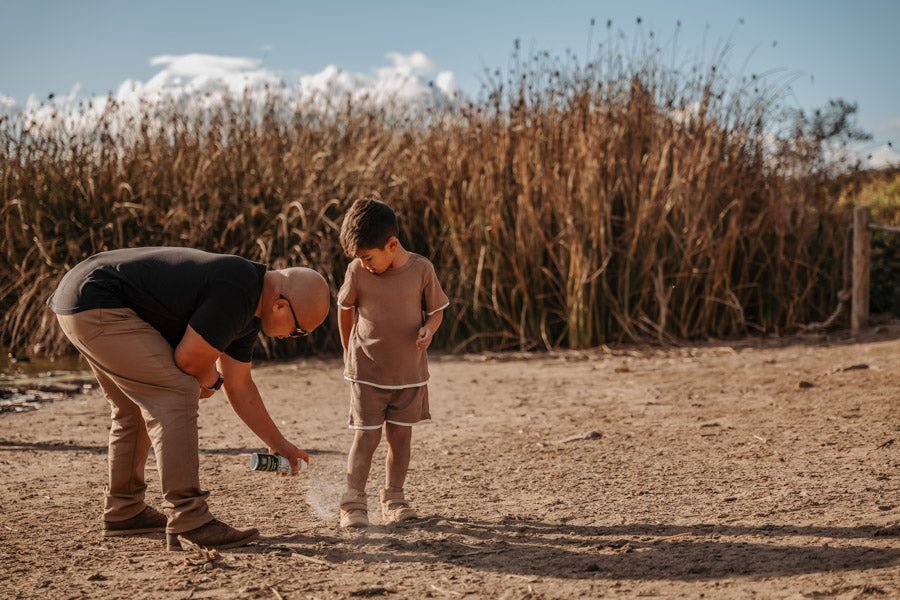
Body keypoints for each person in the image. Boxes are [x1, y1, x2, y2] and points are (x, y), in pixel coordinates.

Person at [47, 247, 330, 550]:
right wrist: (209, 380)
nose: (292, 337)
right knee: (177, 393)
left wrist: (278, 442)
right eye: (299, 331)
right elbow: (190, 363)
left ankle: (125, 510)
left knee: (133, 405)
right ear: (281, 306)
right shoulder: (239, 289)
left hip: (79, 296)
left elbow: (240, 385)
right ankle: (189, 519)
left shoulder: (249, 303)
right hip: (98, 301)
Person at [336, 198, 449, 528]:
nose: (365, 264)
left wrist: (429, 328)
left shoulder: (422, 269)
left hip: (409, 375)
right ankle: (353, 503)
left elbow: (437, 311)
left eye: (369, 257)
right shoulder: (357, 271)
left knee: (400, 439)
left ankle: (394, 499)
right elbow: (345, 309)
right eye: (361, 259)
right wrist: (348, 351)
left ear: (392, 244)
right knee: (366, 438)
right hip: (367, 373)